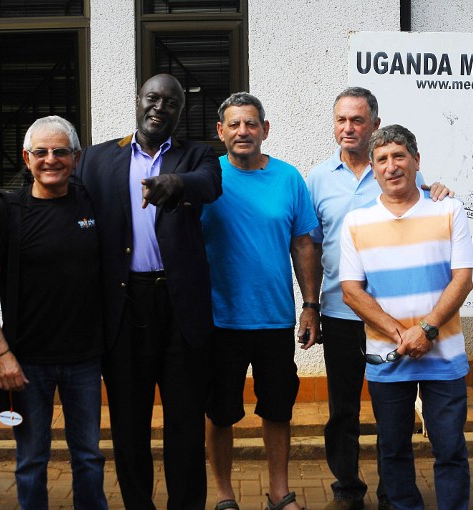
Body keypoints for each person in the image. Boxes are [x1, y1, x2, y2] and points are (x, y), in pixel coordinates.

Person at [75, 74, 222, 509]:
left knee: (185, 424)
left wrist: (176, 185)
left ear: (180, 110)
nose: (160, 108)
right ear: (138, 101)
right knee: (128, 424)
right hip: (125, 306)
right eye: (152, 99)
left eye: (171, 103)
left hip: (180, 309)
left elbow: (209, 185)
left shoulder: (196, 155)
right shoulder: (99, 158)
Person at [306, 88, 449, 510]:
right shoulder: (317, 178)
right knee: (343, 410)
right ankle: (348, 489)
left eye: (357, 120)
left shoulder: (396, 169)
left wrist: (440, 190)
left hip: (395, 318)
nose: (348, 128)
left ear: (374, 124)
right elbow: (311, 247)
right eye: (341, 120)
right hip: (340, 311)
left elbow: (427, 211)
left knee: (395, 414)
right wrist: (310, 305)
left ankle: (395, 493)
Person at [339, 124, 473, 510]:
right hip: (389, 356)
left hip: (444, 356)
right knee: (393, 449)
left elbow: (462, 279)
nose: (391, 166)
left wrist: (427, 329)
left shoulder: (448, 208)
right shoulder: (357, 222)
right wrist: (403, 335)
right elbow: (351, 291)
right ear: (373, 166)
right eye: (381, 159)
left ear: (417, 161)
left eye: (399, 156)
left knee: (450, 448)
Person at [0, 116, 107, 510]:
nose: (51, 160)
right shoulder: (7, 212)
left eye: (61, 152)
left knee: (88, 455)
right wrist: (0, 352)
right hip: (26, 361)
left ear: (76, 157)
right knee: (31, 459)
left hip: (85, 359)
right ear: (26, 158)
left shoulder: (93, 203)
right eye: (41, 152)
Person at [202, 92, 320, 510]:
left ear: (265, 130)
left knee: (277, 409)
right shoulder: (206, 176)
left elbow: (304, 244)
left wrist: (311, 305)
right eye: (234, 124)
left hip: (272, 319)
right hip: (219, 321)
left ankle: (278, 493)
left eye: (251, 124)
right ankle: (224, 494)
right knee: (219, 413)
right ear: (220, 132)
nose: (243, 132)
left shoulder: (288, 178)